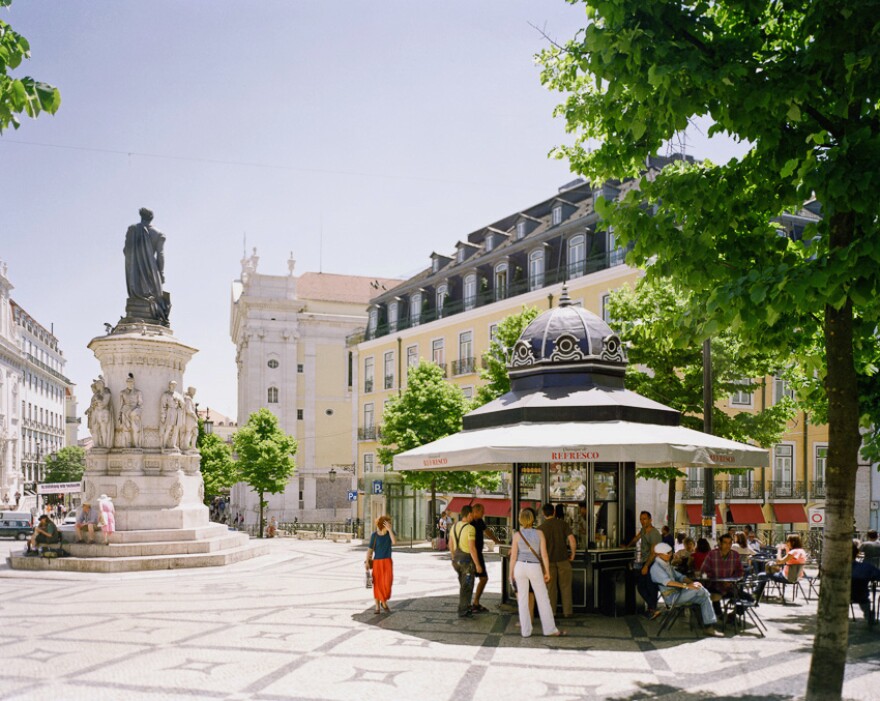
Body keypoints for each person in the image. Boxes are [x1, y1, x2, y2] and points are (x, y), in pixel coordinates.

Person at [509, 507, 565, 638]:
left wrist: (510, 573)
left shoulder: (517, 535)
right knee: (543, 598)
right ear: (533, 519)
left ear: (521, 520)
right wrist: (547, 571)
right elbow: (544, 555)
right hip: (534, 567)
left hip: (520, 567)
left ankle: (526, 631)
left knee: (522, 600)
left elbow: (513, 556)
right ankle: (549, 629)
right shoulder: (539, 534)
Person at [650, 543, 721, 636]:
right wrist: (688, 586)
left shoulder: (666, 565)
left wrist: (691, 582)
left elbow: (680, 576)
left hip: (679, 594)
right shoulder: (656, 568)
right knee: (701, 591)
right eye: (667, 553)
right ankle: (714, 614)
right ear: (659, 554)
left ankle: (708, 627)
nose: (670, 555)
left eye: (670, 552)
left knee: (704, 597)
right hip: (672, 598)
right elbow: (668, 582)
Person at [124, 207, 170, 325]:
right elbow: (160, 255)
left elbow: (126, 251)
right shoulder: (159, 234)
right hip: (152, 272)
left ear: (141, 216)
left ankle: (136, 311)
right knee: (154, 297)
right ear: (151, 218)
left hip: (135, 271)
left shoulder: (132, 230)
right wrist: (161, 273)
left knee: (136, 296)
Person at [538, 503, 577, 619]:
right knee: (565, 586)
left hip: (548, 562)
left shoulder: (541, 528)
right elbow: (572, 540)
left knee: (551, 588)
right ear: (554, 512)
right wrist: (573, 554)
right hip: (563, 559)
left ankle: (552, 612)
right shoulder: (563, 524)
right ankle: (567, 612)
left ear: (543, 514)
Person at [700, 533, 744, 619]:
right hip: (714, 585)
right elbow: (704, 571)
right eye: (725, 543)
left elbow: (740, 571)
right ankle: (720, 616)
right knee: (714, 595)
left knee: (747, 598)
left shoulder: (735, 555)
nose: (727, 545)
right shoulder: (712, 554)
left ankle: (732, 615)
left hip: (730, 586)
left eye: (729, 543)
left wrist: (731, 581)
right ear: (720, 543)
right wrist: (716, 579)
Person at [627, 510, 662, 619]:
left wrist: (646, 566)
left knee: (651, 587)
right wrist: (627, 546)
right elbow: (636, 538)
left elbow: (654, 552)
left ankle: (653, 609)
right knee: (643, 586)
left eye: (645, 519)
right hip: (645, 562)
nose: (642, 521)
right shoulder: (643, 530)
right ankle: (652, 609)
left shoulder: (654, 533)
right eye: (641, 519)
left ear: (650, 520)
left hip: (653, 563)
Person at [449, 505, 482, 618]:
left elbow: (451, 544)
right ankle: (464, 610)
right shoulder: (470, 528)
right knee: (467, 586)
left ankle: (464, 607)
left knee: (463, 585)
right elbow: (472, 548)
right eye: (472, 514)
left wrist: (453, 557)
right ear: (468, 514)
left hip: (456, 560)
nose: (473, 516)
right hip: (466, 561)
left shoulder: (454, 526)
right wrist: (477, 564)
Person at [754, 533, 808, 599]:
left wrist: (779, 550)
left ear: (793, 542)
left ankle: (757, 595)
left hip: (787, 577)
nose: (786, 543)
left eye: (788, 541)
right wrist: (787, 548)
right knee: (767, 573)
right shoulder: (801, 551)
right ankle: (759, 594)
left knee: (761, 575)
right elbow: (789, 559)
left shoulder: (793, 552)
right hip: (796, 577)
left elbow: (779, 561)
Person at [470, 503, 499, 613]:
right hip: (471, 554)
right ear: (476, 511)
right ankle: (471, 604)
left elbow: (487, 531)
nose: (484, 513)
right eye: (482, 511)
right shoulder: (470, 522)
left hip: (478, 553)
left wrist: (496, 540)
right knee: (471, 580)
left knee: (483, 578)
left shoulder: (480, 521)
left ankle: (475, 603)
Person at [365, 514, 396, 614]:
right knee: (377, 584)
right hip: (377, 562)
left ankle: (383, 601)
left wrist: (390, 530)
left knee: (387, 583)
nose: (389, 525)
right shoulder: (374, 535)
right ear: (383, 525)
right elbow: (370, 550)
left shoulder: (389, 534)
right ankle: (378, 606)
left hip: (387, 562)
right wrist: (366, 561)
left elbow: (394, 542)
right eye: (387, 524)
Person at [851, 541, 880, 625]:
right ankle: (869, 616)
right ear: (856, 553)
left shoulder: (831, 567)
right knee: (863, 597)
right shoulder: (865, 568)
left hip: (837, 596)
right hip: (860, 596)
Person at [86, 376, 114, 448]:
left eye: (98, 385)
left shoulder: (107, 393)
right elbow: (92, 404)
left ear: (102, 385)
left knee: (103, 428)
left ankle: (105, 444)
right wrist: (90, 408)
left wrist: (97, 401)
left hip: (103, 413)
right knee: (94, 429)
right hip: (95, 413)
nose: (97, 386)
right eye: (96, 385)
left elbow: (104, 403)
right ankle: (96, 444)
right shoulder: (96, 395)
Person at [118, 374, 143, 448]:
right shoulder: (122, 392)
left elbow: (140, 404)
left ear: (134, 383)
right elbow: (121, 404)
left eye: (132, 382)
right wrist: (120, 415)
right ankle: (128, 444)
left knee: (135, 428)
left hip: (135, 411)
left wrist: (136, 411)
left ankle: (136, 444)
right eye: (129, 382)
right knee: (126, 429)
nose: (131, 384)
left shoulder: (138, 392)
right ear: (126, 383)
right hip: (125, 411)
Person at [160, 380, 185, 449]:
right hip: (170, 411)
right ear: (169, 385)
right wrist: (163, 416)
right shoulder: (166, 394)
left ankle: (173, 444)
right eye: (172, 385)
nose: (173, 386)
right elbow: (163, 406)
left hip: (177, 412)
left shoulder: (178, 395)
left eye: (175, 385)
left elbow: (183, 405)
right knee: (168, 428)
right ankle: (164, 444)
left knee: (176, 429)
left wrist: (180, 401)